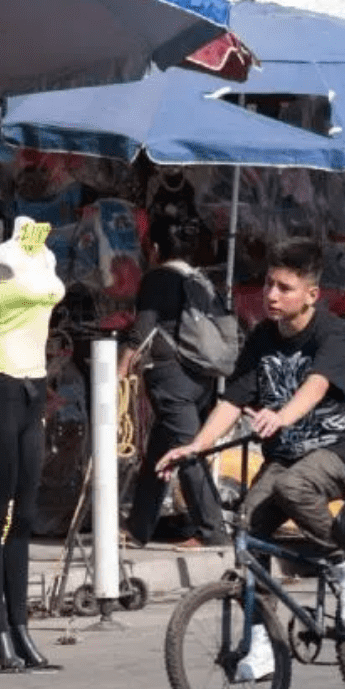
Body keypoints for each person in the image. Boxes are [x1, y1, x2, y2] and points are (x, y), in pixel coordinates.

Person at [157, 240, 345, 677]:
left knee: (292, 486)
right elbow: (233, 399)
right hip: (288, 455)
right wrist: (196, 446)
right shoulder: (261, 337)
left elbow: (315, 386)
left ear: (311, 295)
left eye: (285, 288)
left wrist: (281, 416)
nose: (272, 296)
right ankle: (260, 642)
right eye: (268, 285)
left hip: (342, 449)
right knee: (247, 530)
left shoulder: (332, 335)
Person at [0, 217, 65, 671]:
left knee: (24, 517)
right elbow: (5, 258)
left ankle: (21, 627)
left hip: (33, 389)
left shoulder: (45, 254)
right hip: (0, 389)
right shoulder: (7, 254)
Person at [120, 216, 226, 548]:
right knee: (161, 448)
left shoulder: (158, 278)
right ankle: (139, 527)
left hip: (171, 376)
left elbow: (143, 329)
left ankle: (212, 531)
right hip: (201, 375)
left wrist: (119, 371)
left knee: (187, 452)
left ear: (153, 248)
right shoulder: (200, 279)